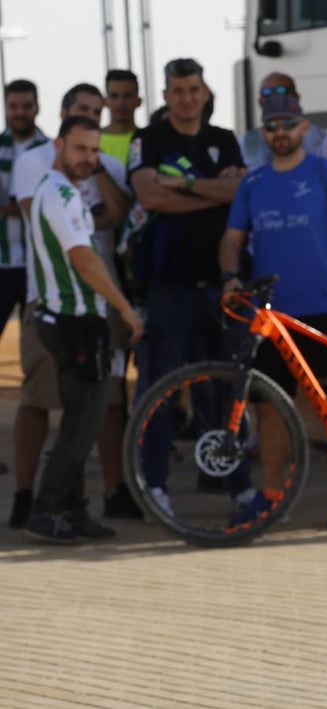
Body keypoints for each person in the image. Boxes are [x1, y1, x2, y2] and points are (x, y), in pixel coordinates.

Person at [220, 93, 327, 528]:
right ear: (263, 133)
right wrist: (229, 277)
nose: (279, 133)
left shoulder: (324, 171)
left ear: (304, 128)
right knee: (269, 405)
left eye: (287, 124)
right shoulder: (253, 184)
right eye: (271, 126)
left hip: (325, 304)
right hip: (272, 314)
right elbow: (232, 239)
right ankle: (272, 493)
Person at [9, 83, 138, 527]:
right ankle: (47, 508)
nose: (88, 156)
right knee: (81, 422)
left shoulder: (67, 190)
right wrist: (124, 307)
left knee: (84, 420)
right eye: (79, 148)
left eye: (94, 149)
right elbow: (84, 259)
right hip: (69, 318)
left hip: (76, 316)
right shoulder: (60, 194)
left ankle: (74, 509)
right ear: (58, 145)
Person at [128, 57, 246, 514]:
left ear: (205, 91)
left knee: (221, 392)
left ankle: (237, 486)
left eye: (194, 89)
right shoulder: (148, 139)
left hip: (219, 287)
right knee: (160, 391)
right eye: (178, 90)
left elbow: (239, 193)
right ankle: (154, 485)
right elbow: (149, 195)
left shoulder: (224, 140)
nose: (187, 98)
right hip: (168, 287)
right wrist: (211, 188)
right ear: (165, 96)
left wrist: (184, 185)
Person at [0, 79, 49, 343]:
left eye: (26, 106)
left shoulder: (51, 150)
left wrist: (14, 209)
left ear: (37, 107)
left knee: (37, 344)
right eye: (13, 106)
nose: (20, 112)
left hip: (37, 264)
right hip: (2, 260)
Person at [239, 72, 327, 170]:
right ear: (260, 101)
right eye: (267, 93)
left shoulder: (321, 140)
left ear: (296, 97)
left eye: (281, 91)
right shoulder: (246, 142)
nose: (274, 98)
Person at [101, 69, 142, 166]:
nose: (121, 103)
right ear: (105, 101)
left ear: (139, 101)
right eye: (114, 96)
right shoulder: (91, 142)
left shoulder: (149, 140)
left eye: (127, 96)